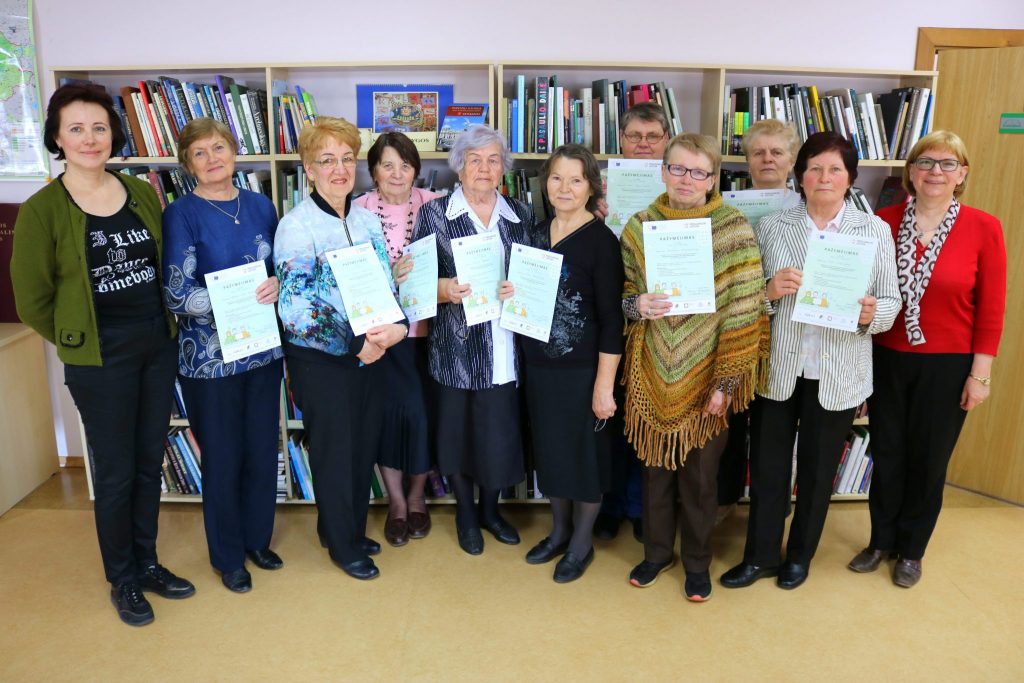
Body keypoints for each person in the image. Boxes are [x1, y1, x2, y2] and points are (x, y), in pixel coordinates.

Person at [11, 83, 193, 626]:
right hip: (100, 363)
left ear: (112, 133)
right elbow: (32, 300)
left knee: (146, 465)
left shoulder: (139, 191)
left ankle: (148, 562)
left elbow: (163, 265)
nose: (89, 138)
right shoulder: (42, 209)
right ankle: (123, 579)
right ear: (57, 139)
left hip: (156, 349)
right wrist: (78, 341)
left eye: (98, 127)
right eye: (76, 128)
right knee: (114, 475)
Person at [720, 131, 900, 591]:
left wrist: (869, 312)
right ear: (799, 177)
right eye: (815, 168)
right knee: (767, 470)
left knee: (819, 475)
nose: (824, 177)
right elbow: (746, 299)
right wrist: (768, 291)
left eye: (835, 169)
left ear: (850, 178)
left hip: (838, 373)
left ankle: (799, 557)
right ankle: (760, 556)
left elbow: (890, 303)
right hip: (781, 370)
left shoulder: (873, 231)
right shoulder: (775, 228)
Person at [848, 130, 1005, 588]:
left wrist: (981, 375)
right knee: (888, 453)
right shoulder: (882, 221)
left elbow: (992, 307)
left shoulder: (983, 227)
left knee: (929, 460)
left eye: (947, 164)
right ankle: (880, 541)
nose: (936, 171)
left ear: (962, 174)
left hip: (949, 364)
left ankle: (911, 550)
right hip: (886, 357)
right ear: (910, 173)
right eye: (926, 163)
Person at [620, 132, 768, 602]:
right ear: (663, 171)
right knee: (653, 471)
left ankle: (698, 563)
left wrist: (726, 382)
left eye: (699, 171)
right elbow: (621, 298)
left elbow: (746, 308)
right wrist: (636, 304)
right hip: (650, 370)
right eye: (678, 169)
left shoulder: (733, 228)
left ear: (713, 178)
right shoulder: (638, 227)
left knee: (702, 479)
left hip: (710, 373)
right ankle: (656, 552)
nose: (687, 179)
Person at [274, 116, 408, 580]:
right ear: (307, 169)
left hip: (371, 354)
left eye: (347, 159)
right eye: (326, 160)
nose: (339, 168)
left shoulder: (366, 220)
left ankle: (343, 527)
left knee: (361, 446)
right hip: (323, 362)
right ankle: (343, 545)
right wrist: (355, 345)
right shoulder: (296, 226)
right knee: (335, 451)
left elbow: (385, 284)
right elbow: (295, 308)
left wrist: (397, 325)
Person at [162, 118, 283, 593]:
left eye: (219, 148)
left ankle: (258, 539)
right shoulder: (181, 213)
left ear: (234, 151)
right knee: (223, 456)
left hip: (262, 352)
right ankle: (228, 556)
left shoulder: (261, 205)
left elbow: (279, 270)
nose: (213, 159)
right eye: (200, 153)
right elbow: (177, 294)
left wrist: (274, 285)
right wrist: (232, 297)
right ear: (187, 164)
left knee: (260, 450)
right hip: (209, 360)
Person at [408, 124, 533, 555]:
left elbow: (534, 273)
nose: (484, 168)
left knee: (497, 434)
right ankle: (465, 514)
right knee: (457, 435)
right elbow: (414, 284)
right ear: (459, 167)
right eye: (474, 160)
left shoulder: (520, 213)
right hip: (455, 348)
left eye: (493, 160)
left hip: (503, 346)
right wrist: (445, 289)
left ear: (504, 168)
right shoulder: (434, 214)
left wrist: (520, 287)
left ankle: (491, 511)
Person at [516, 144, 624, 582]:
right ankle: (558, 531)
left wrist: (604, 387)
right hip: (541, 369)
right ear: (546, 183)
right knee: (551, 455)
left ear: (590, 187)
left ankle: (581, 543)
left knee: (584, 458)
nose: (564, 187)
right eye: (556, 178)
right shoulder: (536, 234)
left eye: (575, 180)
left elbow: (612, 319)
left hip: (583, 372)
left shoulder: (601, 240)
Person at [354, 132, 439, 546]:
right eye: (387, 165)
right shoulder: (355, 212)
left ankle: (419, 497)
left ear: (416, 171)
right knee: (386, 419)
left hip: (426, 332)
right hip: (379, 335)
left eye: (405, 165)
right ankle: (397, 503)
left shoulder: (435, 206)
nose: (397, 173)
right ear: (373, 171)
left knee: (422, 418)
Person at [593, 101, 672, 543]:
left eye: (652, 137)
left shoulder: (677, 187)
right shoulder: (600, 188)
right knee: (608, 416)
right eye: (634, 137)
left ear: (665, 142)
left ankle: (642, 507)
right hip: (609, 317)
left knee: (644, 419)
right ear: (621, 141)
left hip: (657, 324)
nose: (643, 145)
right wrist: (596, 213)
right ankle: (609, 506)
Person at [717, 118, 802, 519]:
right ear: (747, 160)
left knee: (773, 431)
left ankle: (770, 510)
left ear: (792, 160)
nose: (767, 159)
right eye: (758, 152)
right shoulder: (724, 206)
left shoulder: (808, 209)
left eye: (777, 152)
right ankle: (723, 501)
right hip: (733, 331)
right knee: (728, 426)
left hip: (785, 337)